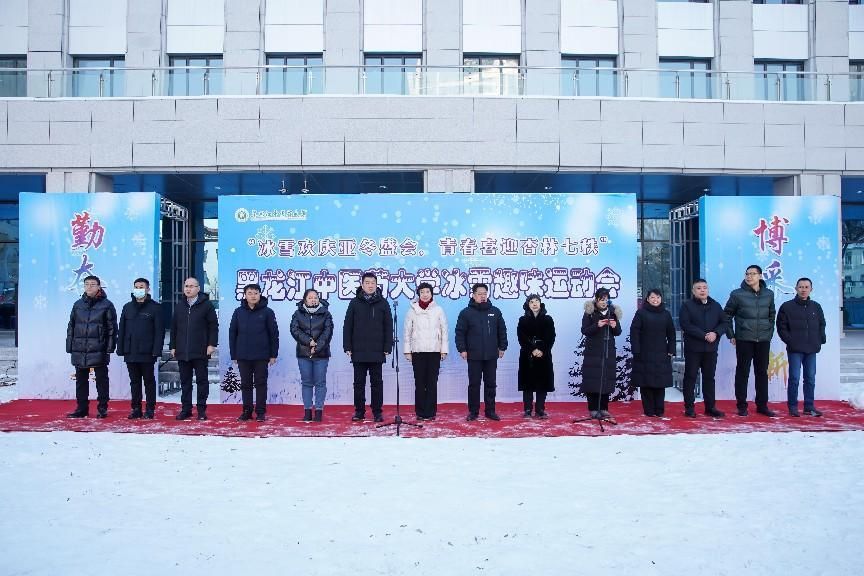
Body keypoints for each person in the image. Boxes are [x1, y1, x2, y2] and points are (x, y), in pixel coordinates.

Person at [724, 265, 777, 417]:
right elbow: (726, 315)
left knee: (762, 373)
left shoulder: (769, 294)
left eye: (753, 274)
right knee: (743, 372)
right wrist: (731, 335)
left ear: (760, 276)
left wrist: (769, 333)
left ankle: (762, 405)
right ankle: (741, 405)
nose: (749, 276)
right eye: (747, 274)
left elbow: (772, 315)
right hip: (744, 339)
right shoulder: (737, 294)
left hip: (763, 340)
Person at [343, 272, 393, 422]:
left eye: (373, 283)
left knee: (377, 383)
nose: (370, 285)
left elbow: (388, 326)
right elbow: (348, 326)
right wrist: (347, 346)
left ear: (376, 285)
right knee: (359, 383)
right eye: (367, 282)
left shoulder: (383, 303)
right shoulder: (354, 303)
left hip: (377, 350)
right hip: (358, 350)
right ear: (362, 284)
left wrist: (387, 346)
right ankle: (359, 411)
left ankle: (377, 412)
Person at [66, 275, 118, 418]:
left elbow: (112, 328)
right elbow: (71, 326)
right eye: (86, 284)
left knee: (101, 380)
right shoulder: (78, 304)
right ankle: (81, 408)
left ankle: (102, 408)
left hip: (99, 348)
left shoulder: (107, 305)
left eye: (92, 284)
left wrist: (109, 348)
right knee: (81, 381)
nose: (89, 287)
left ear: (99, 286)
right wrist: (70, 346)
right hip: (80, 348)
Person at [455, 283, 508, 421]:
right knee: (474, 384)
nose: (482, 296)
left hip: (491, 354)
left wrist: (502, 347)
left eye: (485, 293)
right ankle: (473, 412)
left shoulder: (495, 311)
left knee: (490, 384)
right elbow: (460, 333)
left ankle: (490, 411)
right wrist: (462, 349)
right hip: (474, 355)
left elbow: (502, 330)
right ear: (473, 295)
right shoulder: (466, 313)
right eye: (479, 294)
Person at [169, 277, 218, 421]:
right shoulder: (180, 306)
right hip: (182, 351)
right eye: (186, 286)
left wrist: (211, 344)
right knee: (185, 382)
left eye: (191, 286)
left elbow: (213, 326)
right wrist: (173, 346)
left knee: (202, 381)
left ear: (198, 288)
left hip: (200, 350)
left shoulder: (206, 305)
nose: (188, 289)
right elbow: (174, 328)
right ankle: (186, 409)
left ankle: (201, 410)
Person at [777, 277, 827, 417]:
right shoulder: (787, 307)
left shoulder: (816, 306)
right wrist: (790, 341)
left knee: (810, 378)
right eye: (800, 287)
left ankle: (809, 406)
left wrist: (820, 340)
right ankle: (793, 406)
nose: (803, 290)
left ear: (811, 289)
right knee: (794, 378)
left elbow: (822, 323)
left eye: (806, 287)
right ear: (796, 288)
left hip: (811, 348)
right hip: (795, 349)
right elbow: (781, 327)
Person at [229, 283, 279, 422]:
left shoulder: (268, 312)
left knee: (261, 384)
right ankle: (247, 411)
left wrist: (273, 354)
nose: (253, 296)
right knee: (246, 384)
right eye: (250, 293)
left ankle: (261, 412)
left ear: (260, 295)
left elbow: (274, 334)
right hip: (243, 355)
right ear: (245, 295)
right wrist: (234, 354)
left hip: (261, 355)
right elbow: (233, 333)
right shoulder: (238, 312)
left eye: (256, 293)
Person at [679, 279, 728, 418]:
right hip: (693, 348)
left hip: (711, 349)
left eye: (705, 288)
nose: (702, 290)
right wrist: (704, 335)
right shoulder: (687, 306)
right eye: (699, 288)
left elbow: (724, 322)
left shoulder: (715, 305)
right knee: (690, 377)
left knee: (709, 378)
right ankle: (689, 408)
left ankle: (710, 407)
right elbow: (685, 324)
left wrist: (716, 333)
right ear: (693, 291)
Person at [117, 278, 164, 419]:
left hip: (147, 351)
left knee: (149, 381)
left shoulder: (155, 308)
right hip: (130, 351)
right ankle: (136, 409)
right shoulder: (127, 307)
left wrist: (156, 350)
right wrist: (121, 348)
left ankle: (150, 409)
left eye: (141, 287)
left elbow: (159, 332)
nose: (138, 289)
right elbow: (122, 329)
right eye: (136, 287)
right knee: (134, 382)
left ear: (148, 289)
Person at [403, 282, 449, 421]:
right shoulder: (412, 310)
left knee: (432, 383)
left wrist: (443, 350)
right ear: (418, 294)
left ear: (431, 294)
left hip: (434, 351)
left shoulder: (438, 310)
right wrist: (407, 351)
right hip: (418, 351)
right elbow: (407, 332)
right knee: (419, 383)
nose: (425, 294)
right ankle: (420, 412)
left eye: (427, 292)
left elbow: (444, 330)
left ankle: (431, 412)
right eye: (422, 292)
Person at [290, 288, 334, 422]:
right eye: (310, 297)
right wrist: (309, 342)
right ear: (305, 300)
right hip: (303, 354)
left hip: (321, 354)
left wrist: (317, 346)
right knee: (307, 383)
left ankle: (319, 411)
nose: (313, 300)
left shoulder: (326, 313)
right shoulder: (297, 314)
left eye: (315, 297)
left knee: (320, 383)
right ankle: (308, 411)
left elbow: (328, 332)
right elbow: (294, 330)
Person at [630, 289, 675, 418]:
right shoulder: (641, 313)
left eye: (658, 297)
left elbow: (671, 334)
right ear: (648, 299)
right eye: (653, 297)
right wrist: (636, 350)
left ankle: (659, 409)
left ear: (661, 299)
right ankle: (649, 410)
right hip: (644, 352)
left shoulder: (666, 314)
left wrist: (671, 350)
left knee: (660, 382)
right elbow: (634, 332)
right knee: (646, 382)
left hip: (662, 353)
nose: (655, 300)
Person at [580, 287, 622, 422]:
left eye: (606, 299)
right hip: (593, 352)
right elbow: (584, 330)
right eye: (601, 299)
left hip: (608, 351)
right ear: (596, 300)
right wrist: (597, 325)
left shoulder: (612, 313)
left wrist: (614, 326)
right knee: (593, 379)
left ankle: (604, 408)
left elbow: (618, 332)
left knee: (606, 379)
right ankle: (593, 408)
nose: (604, 302)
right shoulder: (590, 313)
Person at [517, 294, 556, 419]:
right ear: (528, 305)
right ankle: (528, 410)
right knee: (527, 384)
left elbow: (551, 337)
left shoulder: (548, 319)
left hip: (544, 355)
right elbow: (521, 338)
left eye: (536, 301)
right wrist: (532, 349)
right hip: (527, 355)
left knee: (542, 383)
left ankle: (540, 409)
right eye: (531, 302)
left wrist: (542, 350)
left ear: (540, 303)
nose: (534, 304)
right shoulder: (523, 320)